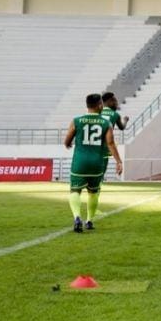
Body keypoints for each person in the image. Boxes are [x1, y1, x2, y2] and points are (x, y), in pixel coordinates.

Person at [64, 93, 123, 232]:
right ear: (100, 105)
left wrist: (68, 143)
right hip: (97, 162)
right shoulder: (106, 122)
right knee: (93, 192)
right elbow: (110, 143)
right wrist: (119, 161)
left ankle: (77, 217)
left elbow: (67, 141)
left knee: (75, 190)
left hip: (80, 162)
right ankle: (89, 221)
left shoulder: (76, 120)